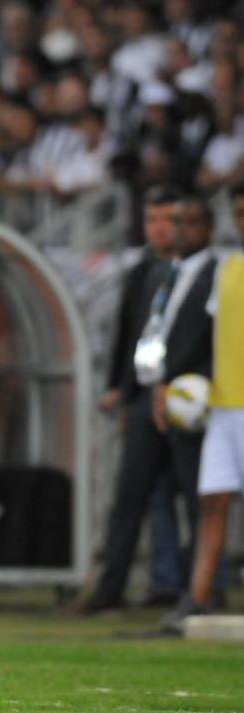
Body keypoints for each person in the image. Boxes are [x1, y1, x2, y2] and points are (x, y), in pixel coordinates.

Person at [80, 192, 219, 614]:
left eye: (185, 222)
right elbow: (137, 334)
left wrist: (178, 384)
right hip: (145, 398)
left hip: (187, 403)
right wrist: (125, 388)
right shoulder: (154, 272)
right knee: (128, 498)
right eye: (170, 222)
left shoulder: (219, 274)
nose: (175, 230)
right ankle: (109, 591)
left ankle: (202, 591)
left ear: (208, 229)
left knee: (199, 501)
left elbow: (212, 341)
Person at [162, 185, 244, 632]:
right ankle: (196, 599)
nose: (242, 220)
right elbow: (214, 334)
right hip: (224, 405)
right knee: (212, 500)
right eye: (238, 212)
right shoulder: (227, 267)